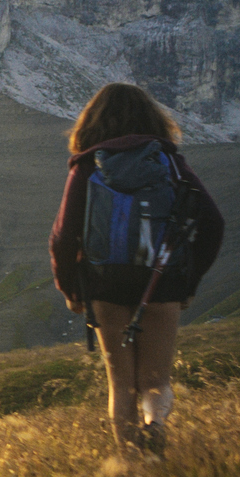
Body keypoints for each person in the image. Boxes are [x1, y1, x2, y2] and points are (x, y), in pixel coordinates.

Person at [49, 82, 224, 453]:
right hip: (162, 279)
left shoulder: (87, 164)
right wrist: (188, 281)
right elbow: (213, 221)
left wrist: (71, 290)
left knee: (120, 383)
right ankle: (154, 422)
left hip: (106, 283)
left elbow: (63, 235)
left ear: (91, 123)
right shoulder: (168, 161)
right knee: (156, 378)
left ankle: (131, 465)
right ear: (152, 119)